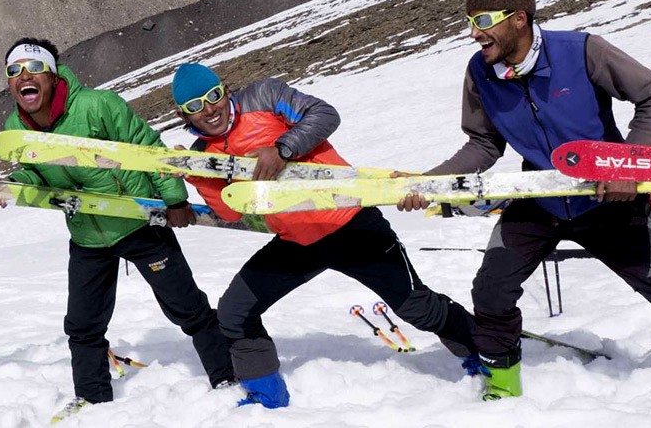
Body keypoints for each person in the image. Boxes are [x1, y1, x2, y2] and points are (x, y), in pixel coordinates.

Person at [396, 0, 651, 400]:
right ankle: (502, 390)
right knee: (491, 290)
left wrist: (627, 168)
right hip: (540, 198)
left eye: (484, 20)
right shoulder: (481, 73)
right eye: (470, 22)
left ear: (519, 18)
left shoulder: (581, 51)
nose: (475, 33)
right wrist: (432, 184)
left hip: (608, 199)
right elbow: (483, 143)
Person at [170, 62, 483, 409]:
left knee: (418, 308)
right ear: (184, 114)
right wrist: (198, 176)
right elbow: (231, 211)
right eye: (195, 106)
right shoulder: (202, 154)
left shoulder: (263, 96)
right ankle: (267, 397)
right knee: (234, 312)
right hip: (298, 242)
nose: (210, 109)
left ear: (225, 90)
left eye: (213, 96)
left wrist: (283, 148)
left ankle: (484, 351)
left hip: (352, 224)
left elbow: (324, 114)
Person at [0, 38, 234, 418]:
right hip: (86, 233)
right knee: (83, 324)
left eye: (33, 69)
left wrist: (175, 200)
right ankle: (92, 399)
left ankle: (227, 377)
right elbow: (33, 170)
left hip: (138, 224)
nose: (24, 77)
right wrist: (13, 185)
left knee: (187, 308)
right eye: (14, 71)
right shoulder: (15, 128)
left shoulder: (98, 106)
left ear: (51, 75)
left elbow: (146, 147)